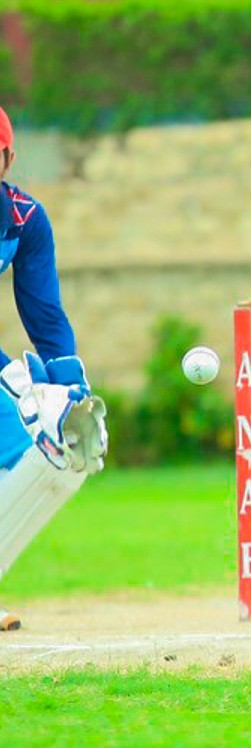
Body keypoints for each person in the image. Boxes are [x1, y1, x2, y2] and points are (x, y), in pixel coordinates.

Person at [0, 104, 109, 631]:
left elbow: (44, 314)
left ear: (8, 157)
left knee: (35, 452)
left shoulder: (24, 220)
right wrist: (11, 377)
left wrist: (71, 386)